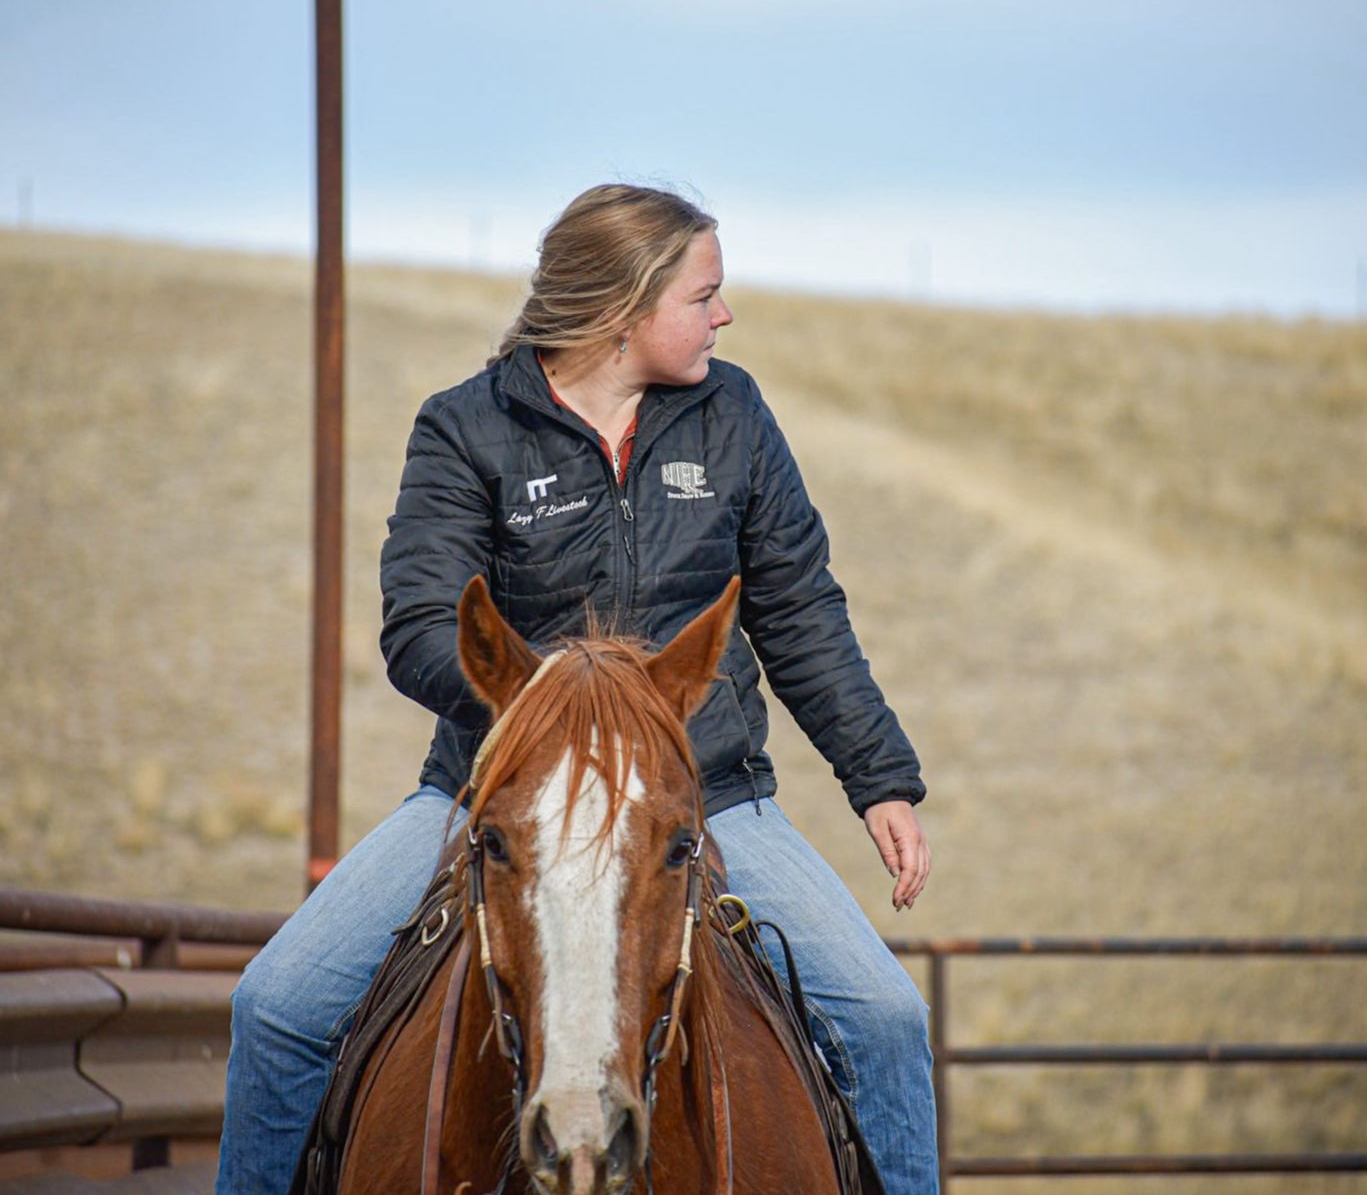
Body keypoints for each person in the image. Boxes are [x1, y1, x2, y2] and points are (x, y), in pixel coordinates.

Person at [217, 184, 938, 1194]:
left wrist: (880, 777)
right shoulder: (464, 429)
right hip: (493, 797)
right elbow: (421, 625)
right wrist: (553, 716)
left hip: (708, 799)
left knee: (887, 1019)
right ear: (620, 309)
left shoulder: (732, 416)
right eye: (704, 294)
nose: (722, 316)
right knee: (276, 1006)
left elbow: (798, 607)